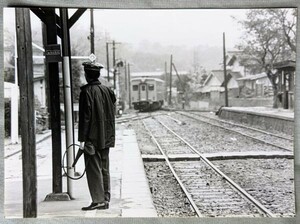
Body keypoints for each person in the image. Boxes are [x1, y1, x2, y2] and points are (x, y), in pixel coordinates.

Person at [78, 61, 116, 210]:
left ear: (87, 75)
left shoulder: (86, 92)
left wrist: (82, 139)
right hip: (106, 137)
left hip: (92, 138)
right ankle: (105, 199)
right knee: (105, 168)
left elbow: (85, 118)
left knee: (94, 170)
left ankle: (98, 200)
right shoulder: (108, 90)